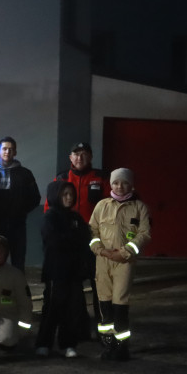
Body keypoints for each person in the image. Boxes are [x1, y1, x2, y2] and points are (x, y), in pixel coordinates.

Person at [89, 168, 151, 362]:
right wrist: (101, 250)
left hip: (125, 262)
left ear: (131, 185)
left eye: (124, 182)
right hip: (103, 262)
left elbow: (144, 234)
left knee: (120, 304)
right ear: (111, 184)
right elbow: (92, 232)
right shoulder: (101, 206)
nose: (119, 186)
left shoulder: (139, 208)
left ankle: (122, 347)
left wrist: (125, 253)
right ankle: (109, 345)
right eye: (116, 182)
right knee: (104, 303)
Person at [51, 142, 110, 335]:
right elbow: (50, 208)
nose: (80, 158)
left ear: (90, 157)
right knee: (74, 286)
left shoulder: (101, 178)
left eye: (84, 154)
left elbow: (110, 207)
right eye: (76, 154)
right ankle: (81, 326)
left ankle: (102, 326)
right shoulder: (61, 178)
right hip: (69, 242)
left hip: (94, 241)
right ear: (70, 158)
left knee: (98, 283)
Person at [37, 181, 90, 357]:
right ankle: (44, 343)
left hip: (74, 272)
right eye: (64, 194)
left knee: (72, 308)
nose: (69, 198)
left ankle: (68, 344)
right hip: (56, 271)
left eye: (71, 194)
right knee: (52, 307)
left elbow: (85, 238)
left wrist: (72, 239)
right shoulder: (50, 217)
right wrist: (72, 238)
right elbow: (54, 241)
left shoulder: (75, 217)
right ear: (56, 196)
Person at [0, 137, 41, 271]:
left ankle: (17, 291)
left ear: (15, 152)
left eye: (11, 149)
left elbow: (35, 197)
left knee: (18, 261)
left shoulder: (25, 174)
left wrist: (20, 210)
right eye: (4, 149)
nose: (7, 152)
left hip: (17, 225)